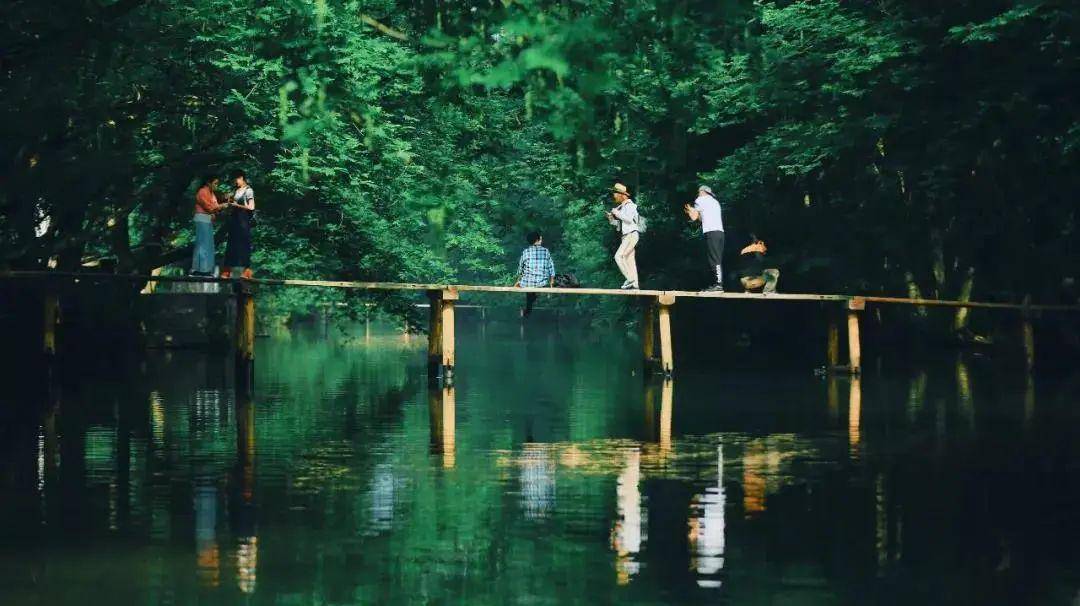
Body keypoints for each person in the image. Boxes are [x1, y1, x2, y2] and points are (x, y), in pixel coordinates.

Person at [683, 185, 725, 292]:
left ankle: (718, 285)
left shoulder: (700, 200)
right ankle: (716, 284)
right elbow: (703, 217)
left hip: (711, 232)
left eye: (699, 192)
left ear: (703, 192)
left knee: (713, 259)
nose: (698, 193)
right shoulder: (715, 202)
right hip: (720, 233)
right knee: (717, 259)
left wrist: (690, 211)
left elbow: (694, 217)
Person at [221, 170, 256, 279]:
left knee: (244, 246)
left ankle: (245, 272)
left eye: (236, 179)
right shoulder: (236, 190)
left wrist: (237, 206)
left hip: (244, 221)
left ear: (241, 178)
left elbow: (251, 207)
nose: (235, 182)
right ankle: (227, 272)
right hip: (235, 220)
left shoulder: (249, 190)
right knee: (231, 245)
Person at [606, 183, 641, 289]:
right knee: (630, 260)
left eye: (615, 193)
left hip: (631, 235)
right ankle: (635, 284)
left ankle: (630, 279)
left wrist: (616, 213)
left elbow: (629, 219)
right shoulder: (622, 207)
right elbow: (620, 225)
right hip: (627, 235)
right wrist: (611, 219)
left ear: (622, 195)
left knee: (618, 256)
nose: (614, 195)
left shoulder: (630, 205)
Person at [514, 231, 555, 317]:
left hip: (527, 282)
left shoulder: (525, 252)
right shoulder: (545, 251)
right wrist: (552, 282)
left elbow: (520, 269)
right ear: (538, 240)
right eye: (540, 238)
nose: (541, 240)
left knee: (530, 291)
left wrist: (517, 282)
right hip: (541, 282)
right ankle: (527, 312)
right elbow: (551, 268)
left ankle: (527, 312)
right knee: (534, 291)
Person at [191, 175, 223, 276]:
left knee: (208, 244)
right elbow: (210, 207)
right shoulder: (202, 192)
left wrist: (220, 207)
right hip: (202, 219)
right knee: (202, 244)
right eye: (215, 183)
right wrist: (220, 206)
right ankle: (199, 269)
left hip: (208, 220)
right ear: (209, 183)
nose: (216, 186)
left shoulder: (211, 193)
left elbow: (215, 207)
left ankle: (206, 269)